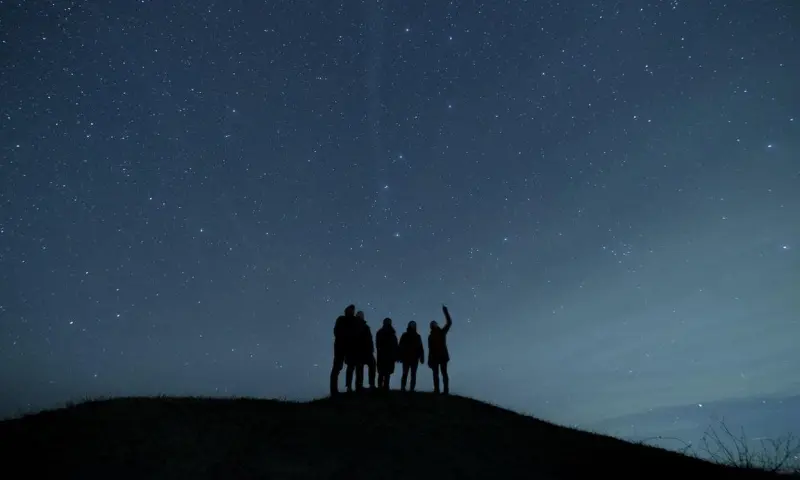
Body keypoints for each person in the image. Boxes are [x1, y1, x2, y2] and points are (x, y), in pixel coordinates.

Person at [330, 304, 358, 395]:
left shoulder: (352, 320)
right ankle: (334, 391)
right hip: (341, 347)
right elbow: (336, 332)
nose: (351, 312)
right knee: (338, 368)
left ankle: (347, 388)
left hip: (348, 348)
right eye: (350, 310)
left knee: (349, 366)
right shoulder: (342, 319)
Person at [428, 304, 453, 394]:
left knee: (444, 373)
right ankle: (436, 390)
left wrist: (445, 312)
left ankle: (445, 391)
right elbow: (430, 349)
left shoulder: (442, 332)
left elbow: (449, 323)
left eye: (434, 324)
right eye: (432, 324)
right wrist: (429, 360)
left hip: (442, 356)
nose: (433, 325)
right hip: (434, 357)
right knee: (435, 374)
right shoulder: (430, 336)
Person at [352, 310, 376, 391]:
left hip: (365, 351)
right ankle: (361, 386)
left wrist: (371, 348)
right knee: (360, 368)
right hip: (360, 351)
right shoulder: (356, 327)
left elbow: (369, 339)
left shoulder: (365, 327)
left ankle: (364, 385)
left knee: (366, 367)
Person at [398, 320, 424, 392]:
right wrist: (399, 356)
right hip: (406, 358)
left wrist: (421, 357)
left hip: (414, 358)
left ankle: (411, 389)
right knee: (405, 373)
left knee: (413, 374)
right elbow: (400, 346)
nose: (413, 326)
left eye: (414, 325)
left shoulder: (418, 336)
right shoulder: (405, 335)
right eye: (412, 325)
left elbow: (420, 348)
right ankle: (403, 387)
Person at [375, 317, 399, 390]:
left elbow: (395, 345)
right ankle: (383, 388)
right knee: (384, 373)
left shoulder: (382, 333)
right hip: (385, 356)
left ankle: (383, 388)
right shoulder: (390, 333)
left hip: (386, 356)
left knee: (384, 373)